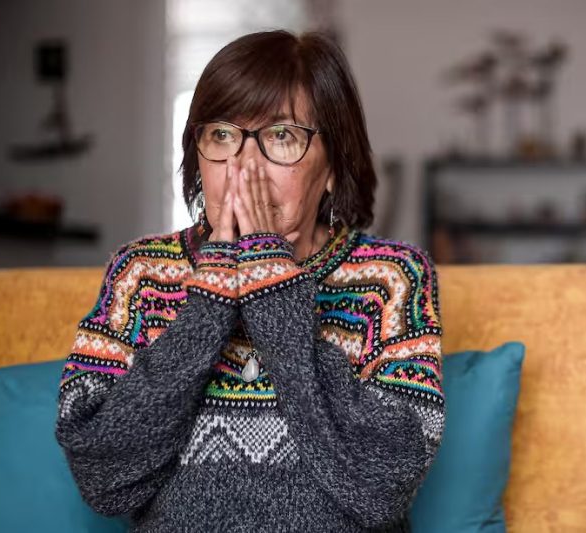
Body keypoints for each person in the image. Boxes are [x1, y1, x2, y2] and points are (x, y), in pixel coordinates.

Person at [55, 29, 445, 532]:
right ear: (198, 156)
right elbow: (102, 478)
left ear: (333, 165)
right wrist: (208, 306)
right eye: (222, 135)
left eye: (282, 136)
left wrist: (273, 286)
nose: (243, 167)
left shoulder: (390, 278)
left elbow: (381, 486)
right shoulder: (141, 273)